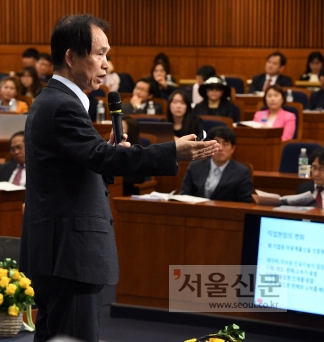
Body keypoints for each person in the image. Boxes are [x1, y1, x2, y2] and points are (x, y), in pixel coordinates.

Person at [20, 14, 218, 342]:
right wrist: (171, 151)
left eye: (107, 55)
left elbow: (81, 163)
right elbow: (100, 157)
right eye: (99, 54)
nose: (106, 64)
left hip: (57, 252)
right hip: (69, 254)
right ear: (71, 56)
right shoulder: (62, 105)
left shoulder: (52, 101)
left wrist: (105, 153)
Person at [181, 126, 252, 202]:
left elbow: (245, 203)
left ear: (233, 149)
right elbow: (184, 196)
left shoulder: (242, 172)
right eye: (216, 143)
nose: (220, 148)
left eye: (225, 143)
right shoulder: (195, 167)